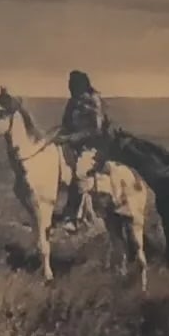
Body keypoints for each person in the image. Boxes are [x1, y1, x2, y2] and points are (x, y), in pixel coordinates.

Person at [56, 70, 111, 229]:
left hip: (95, 146)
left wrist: (72, 138)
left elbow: (97, 130)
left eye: (72, 83)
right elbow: (65, 124)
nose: (69, 86)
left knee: (80, 172)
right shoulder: (72, 102)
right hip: (74, 145)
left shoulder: (94, 101)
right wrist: (57, 136)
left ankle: (77, 216)